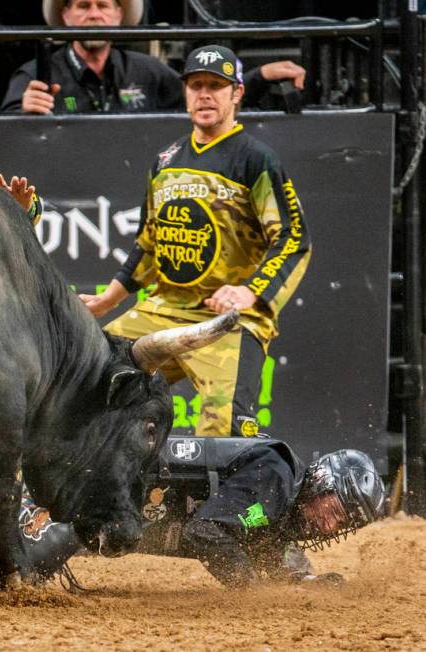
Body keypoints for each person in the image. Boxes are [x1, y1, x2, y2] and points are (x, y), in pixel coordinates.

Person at [0, 437, 385, 589]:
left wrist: (294, 577)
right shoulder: (277, 477)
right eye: (339, 509)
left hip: (90, 507)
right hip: (84, 495)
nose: (335, 524)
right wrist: (261, 590)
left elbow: (251, 532)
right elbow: (212, 530)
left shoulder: (272, 499)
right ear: (322, 481)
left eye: (346, 523)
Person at [79, 44, 312, 437]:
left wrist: (248, 292)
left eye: (216, 86)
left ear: (237, 93)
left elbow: (293, 238)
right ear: (185, 92)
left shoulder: (256, 159)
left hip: (229, 322)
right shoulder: (166, 160)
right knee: (87, 385)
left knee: (226, 430)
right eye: (196, 85)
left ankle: (217, 500)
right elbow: (149, 244)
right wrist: (108, 300)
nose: (204, 94)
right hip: (162, 310)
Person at [0, 0, 306, 114]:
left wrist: (260, 76)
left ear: (119, 15)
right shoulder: (36, 75)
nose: (94, 15)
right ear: (65, 15)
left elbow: (200, 101)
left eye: (103, 6)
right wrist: (22, 115)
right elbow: (2, 136)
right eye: (83, 5)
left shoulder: (147, 70)